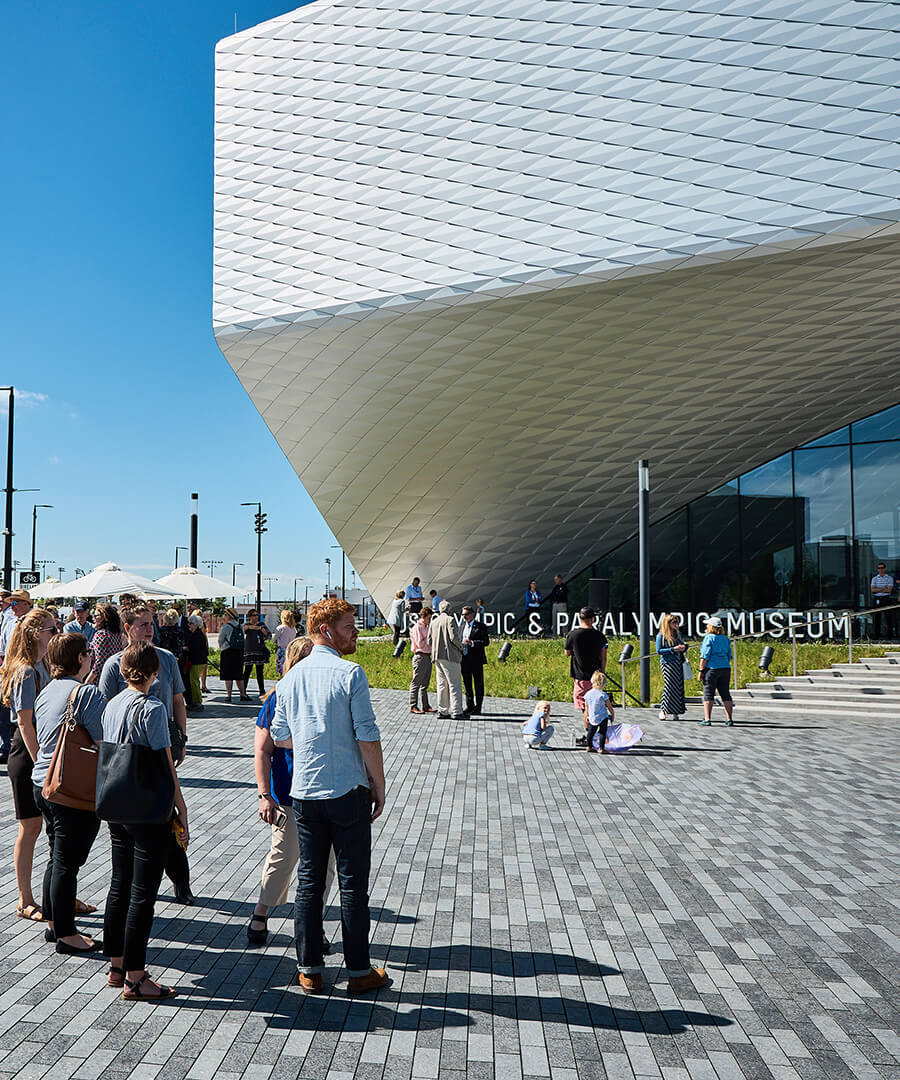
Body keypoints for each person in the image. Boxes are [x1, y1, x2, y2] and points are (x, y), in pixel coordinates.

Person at [270, 597, 388, 996]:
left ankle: (309, 970)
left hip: (304, 792)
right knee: (353, 884)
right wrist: (379, 785)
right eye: (349, 625)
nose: (355, 632)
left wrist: (310, 740)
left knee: (309, 881)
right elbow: (367, 735)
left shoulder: (290, 678)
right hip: (347, 789)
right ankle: (358, 972)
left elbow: (280, 736)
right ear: (326, 631)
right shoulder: (350, 673)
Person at [100, 642, 188, 1000]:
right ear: (156, 672)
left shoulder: (112, 705)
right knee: (143, 894)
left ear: (122, 671)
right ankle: (137, 978)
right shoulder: (152, 708)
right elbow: (165, 762)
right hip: (147, 808)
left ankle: (116, 965)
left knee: (119, 884)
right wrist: (180, 806)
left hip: (115, 802)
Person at [99, 602, 193, 904]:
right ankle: (145, 884)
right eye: (142, 624)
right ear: (127, 628)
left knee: (165, 819)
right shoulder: (115, 664)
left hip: (161, 745)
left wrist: (181, 737)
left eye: (151, 623)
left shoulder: (165, 658)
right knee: (158, 821)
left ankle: (181, 881)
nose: (150, 629)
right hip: (129, 756)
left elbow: (178, 700)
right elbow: (105, 708)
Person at [248, 636, 336, 946]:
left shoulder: (326, 695)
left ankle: (314, 924)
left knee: (325, 864)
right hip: (288, 794)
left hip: (325, 792)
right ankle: (261, 913)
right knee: (284, 856)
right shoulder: (277, 698)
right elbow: (262, 751)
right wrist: (264, 794)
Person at [32, 633, 105, 953]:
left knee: (56, 856)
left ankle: (53, 923)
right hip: (70, 789)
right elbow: (106, 741)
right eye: (87, 652)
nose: (91, 656)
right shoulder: (85, 693)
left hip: (42, 783)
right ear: (79, 658)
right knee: (66, 862)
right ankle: (65, 933)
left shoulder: (47, 690)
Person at [1, 607, 54, 921]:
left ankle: (59, 894)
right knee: (30, 826)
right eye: (50, 629)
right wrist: (41, 765)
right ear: (35, 634)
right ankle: (24, 899)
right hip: (26, 754)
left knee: (53, 828)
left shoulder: (41, 664)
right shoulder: (25, 671)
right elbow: (24, 723)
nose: (54, 633)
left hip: (39, 751)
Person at [565, 606, 608, 733]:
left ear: (580, 618)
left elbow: (567, 653)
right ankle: (595, 733)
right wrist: (603, 673)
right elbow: (604, 657)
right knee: (596, 705)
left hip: (580, 676)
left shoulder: (573, 635)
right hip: (596, 676)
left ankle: (589, 734)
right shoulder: (600, 636)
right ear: (593, 619)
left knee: (586, 706)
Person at [429, 600, 466, 720]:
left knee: (441, 685)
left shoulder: (434, 622)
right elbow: (453, 637)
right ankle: (457, 711)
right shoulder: (450, 620)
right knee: (454, 684)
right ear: (449, 610)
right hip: (450, 656)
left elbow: (429, 640)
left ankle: (443, 710)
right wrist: (461, 646)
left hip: (437, 657)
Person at [698, 617, 734, 726]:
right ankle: (729, 719)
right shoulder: (725, 639)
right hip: (725, 668)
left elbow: (705, 656)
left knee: (709, 693)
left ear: (711, 627)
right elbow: (729, 655)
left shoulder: (709, 638)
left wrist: (700, 671)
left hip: (712, 668)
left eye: (707, 625)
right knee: (725, 693)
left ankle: (707, 718)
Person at [656, 613, 687, 720]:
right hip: (668, 663)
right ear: (667, 623)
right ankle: (663, 710)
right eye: (673, 622)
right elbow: (659, 651)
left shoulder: (677, 635)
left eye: (676, 622)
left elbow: (682, 645)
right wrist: (673, 649)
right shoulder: (661, 636)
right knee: (668, 686)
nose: (676, 625)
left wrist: (683, 647)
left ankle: (676, 711)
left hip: (678, 662)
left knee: (678, 687)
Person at [459, 604, 489, 715]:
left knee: (478, 684)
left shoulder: (480, 626)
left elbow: (486, 642)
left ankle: (478, 707)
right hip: (464, 658)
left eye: (466, 614)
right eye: (462, 615)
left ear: (472, 614)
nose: (464, 617)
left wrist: (472, 643)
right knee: (467, 684)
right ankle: (469, 706)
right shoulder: (462, 626)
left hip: (476, 659)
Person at [86, 603, 125, 685]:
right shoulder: (117, 634)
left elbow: (100, 661)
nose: (93, 618)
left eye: (96, 616)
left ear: (104, 618)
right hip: (115, 675)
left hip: (100, 679)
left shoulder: (101, 635)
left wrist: (89, 680)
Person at [408, 607, 434, 714]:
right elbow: (420, 643)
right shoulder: (417, 627)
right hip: (420, 656)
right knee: (416, 682)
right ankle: (413, 706)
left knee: (425, 684)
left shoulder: (426, 626)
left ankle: (426, 705)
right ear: (423, 617)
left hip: (428, 656)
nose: (430, 620)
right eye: (428, 618)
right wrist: (429, 637)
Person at [218, 607, 247, 702]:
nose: (224, 617)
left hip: (228, 651)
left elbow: (220, 640)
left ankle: (229, 695)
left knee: (228, 675)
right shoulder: (240, 626)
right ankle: (242, 694)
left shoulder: (226, 627)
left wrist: (221, 648)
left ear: (229, 616)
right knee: (239, 674)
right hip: (239, 651)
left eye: (225, 615)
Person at [583, 670, 614, 753]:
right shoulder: (603, 694)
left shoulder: (588, 694)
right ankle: (601, 748)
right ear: (603, 684)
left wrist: (586, 716)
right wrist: (612, 714)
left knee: (590, 732)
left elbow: (586, 707)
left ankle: (589, 746)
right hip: (603, 717)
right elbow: (609, 706)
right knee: (602, 733)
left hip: (592, 717)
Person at [243, 610, 270, 700]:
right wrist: (254, 627)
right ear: (250, 616)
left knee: (259, 672)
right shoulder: (247, 625)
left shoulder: (262, 624)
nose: (256, 617)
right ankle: (243, 691)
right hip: (249, 651)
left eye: (257, 615)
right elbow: (244, 629)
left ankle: (262, 691)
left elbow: (268, 635)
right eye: (254, 615)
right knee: (247, 671)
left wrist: (263, 630)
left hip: (259, 651)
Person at [0, 589, 13, 763]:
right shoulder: (5, 617)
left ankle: (4, 748)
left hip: (6, 667)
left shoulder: (12, 618)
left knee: (4, 708)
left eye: (4, 599)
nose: (1, 601)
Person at [185, 615, 208, 711]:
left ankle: (197, 701)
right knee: (194, 680)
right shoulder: (197, 634)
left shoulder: (197, 635)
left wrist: (186, 648)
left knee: (193, 681)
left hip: (197, 661)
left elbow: (195, 648)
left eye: (191, 623)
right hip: (198, 660)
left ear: (196, 625)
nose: (189, 625)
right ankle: (197, 700)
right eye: (189, 623)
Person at [871, 562, 895, 640]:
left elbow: (889, 590)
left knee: (888, 617)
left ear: (884, 569)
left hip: (886, 598)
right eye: (879, 568)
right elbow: (873, 590)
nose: (880, 570)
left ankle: (890, 635)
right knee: (877, 617)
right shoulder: (874, 578)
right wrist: (883, 588)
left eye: (882, 568)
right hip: (877, 598)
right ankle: (876, 635)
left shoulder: (889, 578)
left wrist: (878, 589)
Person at [273, 609, 298, 676]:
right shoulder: (293, 629)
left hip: (281, 649)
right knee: (288, 667)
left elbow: (274, 639)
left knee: (281, 668)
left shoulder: (280, 628)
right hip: (290, 650)